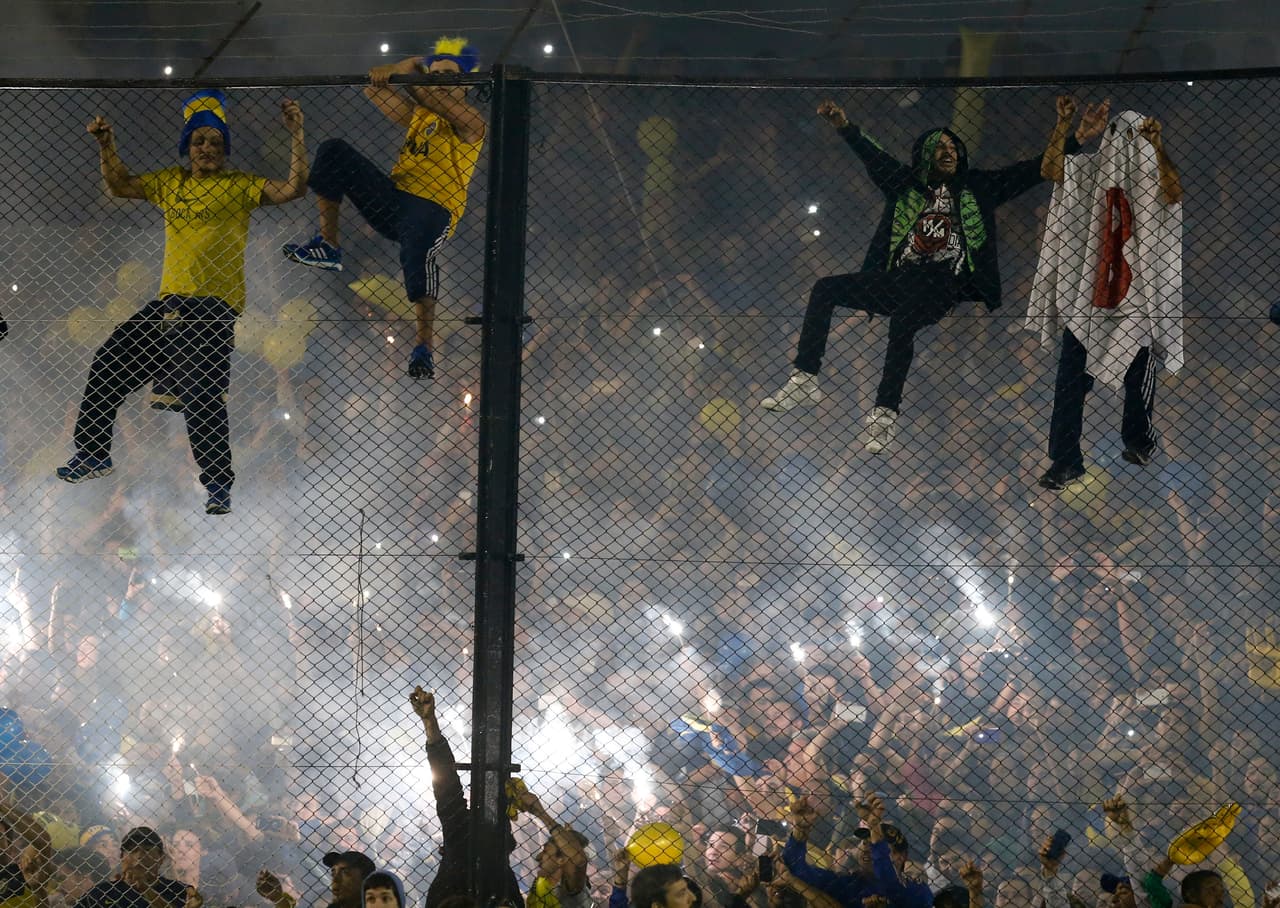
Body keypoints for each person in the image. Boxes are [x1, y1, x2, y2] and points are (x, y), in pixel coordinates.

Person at [761, 96, 1081, 454]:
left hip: (943, 282)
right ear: (924, 154)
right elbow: (873, 155)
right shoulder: (905, 184)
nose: (948, 151)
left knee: (902, 323)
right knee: (825, 288)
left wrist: (1070, 129)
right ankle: (805, 376)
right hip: (900, 278)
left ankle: (884, 414)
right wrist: (843, 125)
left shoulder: (978, 186)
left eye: (952, 146)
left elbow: (1041, 168)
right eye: (939, 146)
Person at [59, 90, 308, 514]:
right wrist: (107, 146)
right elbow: (120, 185)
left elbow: (293, 188)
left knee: (201, 395)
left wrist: (297, 134)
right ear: (187, 147)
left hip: (212, 308)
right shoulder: (169, 182)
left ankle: (217, 485)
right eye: (199, 141)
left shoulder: (240, 185)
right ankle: (94, 453)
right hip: (169, 304)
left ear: (225, 150)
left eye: (215, 142)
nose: (207, 148)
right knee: (108, 363)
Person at [283, 37, 486, 381]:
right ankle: (328, 243)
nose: (438, 82)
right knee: (333, 151)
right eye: (434, 75)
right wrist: (397, 68)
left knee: (416, 251)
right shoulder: (422, 114)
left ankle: (424, 346)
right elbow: (376, 92)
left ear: (466, 84)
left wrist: (410, 75)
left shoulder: (471, 123)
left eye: (448, 76)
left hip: (434, 209)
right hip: (395, 200)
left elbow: (433, 97)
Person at [1029, 101, 1184, 490]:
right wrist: (1064, 123)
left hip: (1135, 299)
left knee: (1138, 372)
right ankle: (1065, 460)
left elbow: (1174, 194)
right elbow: (1050, 168)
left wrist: (1158, 146)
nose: (1124, 146)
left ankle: (1139, 441)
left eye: (1133, 137)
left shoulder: (1151, 177)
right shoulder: (1089, 172)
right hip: (1088, 297)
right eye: (1117, 136)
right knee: (1069, 384)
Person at [407, 687, 523, 908]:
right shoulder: (500, 884)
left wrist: (430, 723)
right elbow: (446, 785)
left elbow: (446, 785)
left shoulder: (501, 885)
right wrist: (430, 723)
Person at [72, 827, 190, 908]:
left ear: (161, 858)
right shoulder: (100, 893)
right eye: (132, 850)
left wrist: (146, 890)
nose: (139, 856)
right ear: (122, 857)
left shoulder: (179, 891)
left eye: (147, 850)